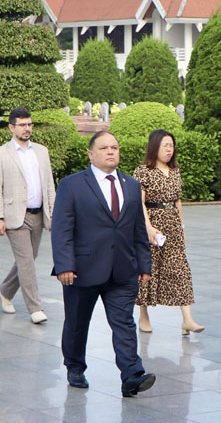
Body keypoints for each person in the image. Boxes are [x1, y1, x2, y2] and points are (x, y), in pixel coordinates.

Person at [51, 131, 155, 397]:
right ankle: (74, 366)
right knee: (77, 322)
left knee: (124, 323)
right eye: (104, 148)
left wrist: (144, 265)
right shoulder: (72, 184)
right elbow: (62, 229)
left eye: (115, 147)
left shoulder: (131, 185)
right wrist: (64, 265)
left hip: (122, 269)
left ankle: (132, 374)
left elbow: (138, 230)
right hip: (81, 270)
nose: (111, 152)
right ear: (91, 154)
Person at [133, 129, 203, 336]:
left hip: (172, 224)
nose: (169, 150)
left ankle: (187, 319)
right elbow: (140, 202)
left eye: (171, 145)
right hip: (152, 223)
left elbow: (178, 201)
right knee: (148, 269)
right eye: (165, 145)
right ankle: (143, 315)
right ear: (154, 147)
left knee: (180, 269)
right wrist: (148, 228)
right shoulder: (143, 171)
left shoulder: (175, 171)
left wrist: (182, 227)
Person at [0, 108, 56, 324]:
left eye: (29, 124)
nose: (27, 128)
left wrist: (52, 212)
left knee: (29, 258)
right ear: (11, 127)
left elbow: (49, 185)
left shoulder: (41, 151)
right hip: (15, 216)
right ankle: (35, 308)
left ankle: (5, 291)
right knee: (26, 261)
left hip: (38, 214)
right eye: (22, 125)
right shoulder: (0, 153)